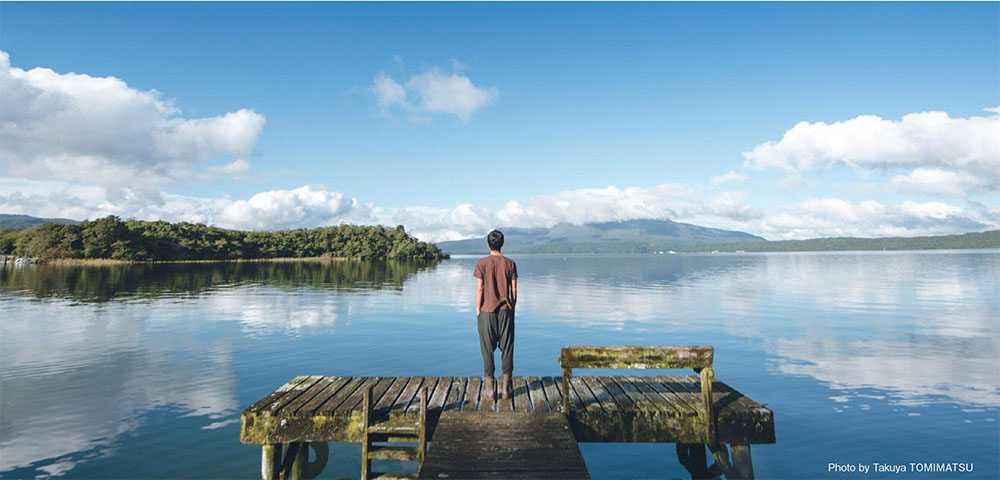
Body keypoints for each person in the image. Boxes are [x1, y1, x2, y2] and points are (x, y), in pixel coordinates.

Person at [473, 230, 518, 401]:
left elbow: (480, 289)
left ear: (488, 244)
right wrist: (512, 307)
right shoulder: (510, 263)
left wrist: (478, 309)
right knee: (507, 349)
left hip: (486, 311)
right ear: (502, 243)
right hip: (506, 311)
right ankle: (506, 390)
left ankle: (490, 390)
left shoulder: (482, 263)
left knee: (487, 350)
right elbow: (513, 290)